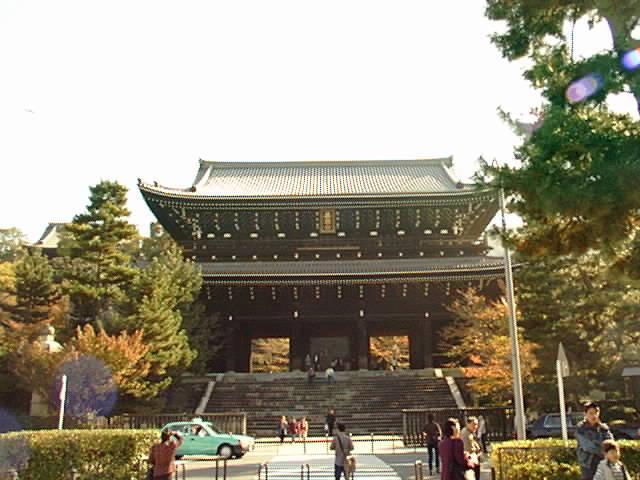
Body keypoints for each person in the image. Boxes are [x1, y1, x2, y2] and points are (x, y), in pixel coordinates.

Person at [577, 402, 614, 480]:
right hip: (588, 464)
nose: (594, 416)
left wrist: (597, 443)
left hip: (604, 462)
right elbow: (588, 447)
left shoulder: (604, 428)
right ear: (585, 414)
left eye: (596, 413)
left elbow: (611, 444)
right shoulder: (581, 428)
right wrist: (603, 448)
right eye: (591, 413)